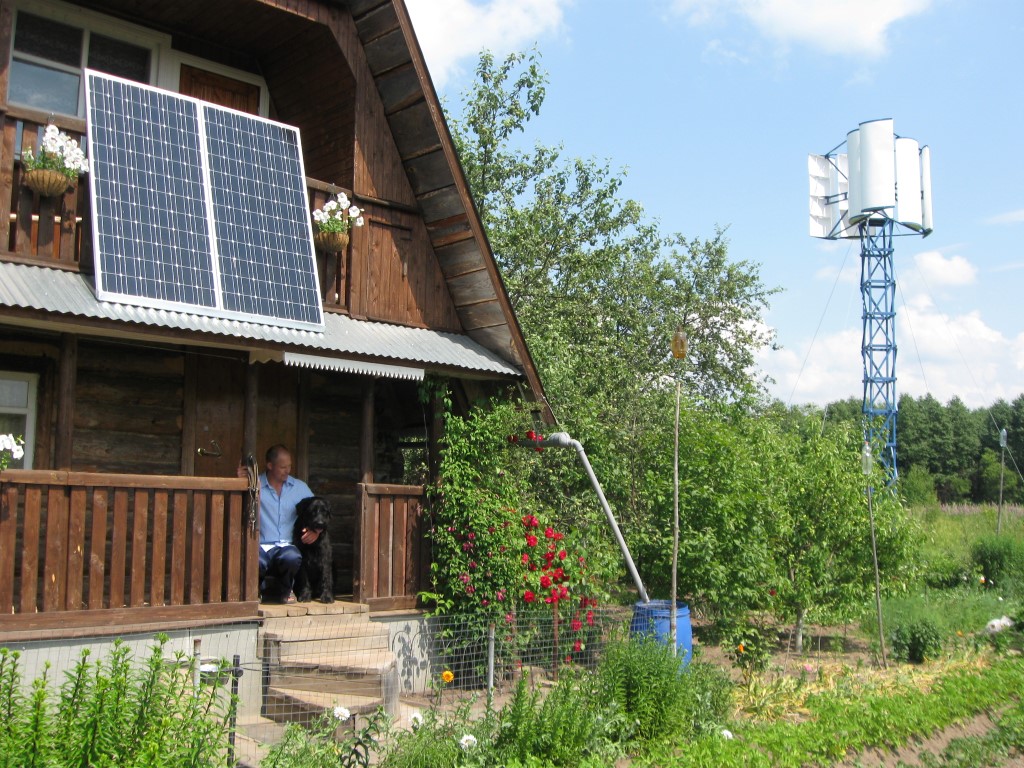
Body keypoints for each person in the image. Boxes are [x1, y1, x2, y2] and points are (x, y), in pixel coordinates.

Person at [250, 444, 319, 603]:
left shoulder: (299, 487)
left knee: (292, 557)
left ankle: (286, 590)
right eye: (282, 467)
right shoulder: (256, 485)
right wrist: (240, 481)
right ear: (270, 465)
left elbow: (317, 509)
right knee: (255, 559)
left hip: (287, 545)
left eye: (289, 466)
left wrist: (316, 531)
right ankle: (255, 591)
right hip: (261, 544)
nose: (287, 470)